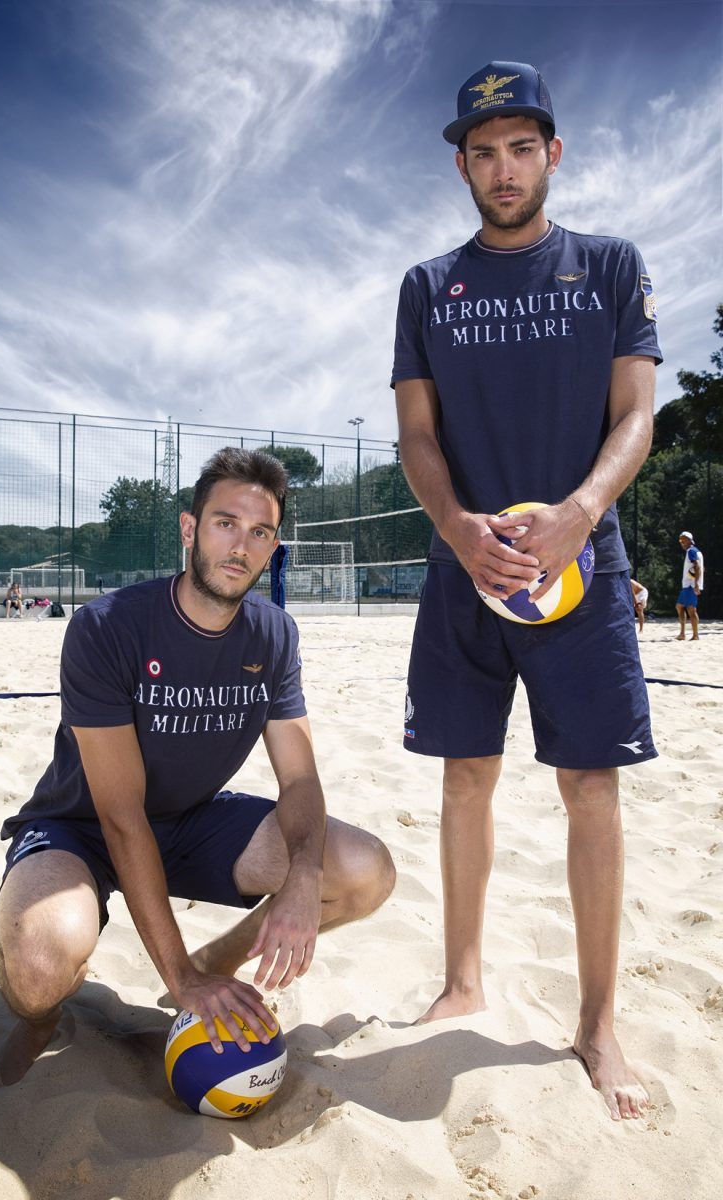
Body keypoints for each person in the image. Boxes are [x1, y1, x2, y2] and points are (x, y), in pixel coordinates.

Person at [391, 60, 661, 1121]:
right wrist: (457, 530)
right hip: (466, 572)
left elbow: (634, 418)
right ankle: (462, 980)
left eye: (519, 147)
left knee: (589, 789)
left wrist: (576, 516)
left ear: (551, 152)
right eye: (480, 151)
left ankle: (597, 1021)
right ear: (459, 162)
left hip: (577, 570)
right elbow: (416, 434)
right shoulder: (426, 286)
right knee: (465, 777)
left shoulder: (605, 266)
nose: (500, 169)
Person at [0, 447, 395, 1085]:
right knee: (42, 964)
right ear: (190, 529)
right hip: (82, 825)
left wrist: (302, 877)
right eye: (225, 522)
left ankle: (221, 956)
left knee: (364, 873)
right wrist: (179, 980)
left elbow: (300, 779)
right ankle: (40, 1018)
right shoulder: (107, 627)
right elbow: (120, 814)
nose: (241, 544)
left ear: (272, 548)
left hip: (187, 822)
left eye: (259, 531)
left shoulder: (274, 635)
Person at [676, 531, 704, 640]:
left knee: (691, 610)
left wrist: (696, 584)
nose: (681, 542)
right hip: (689, 585)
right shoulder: (697, 551)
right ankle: (683, 634)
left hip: (690, 586)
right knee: (679, 606)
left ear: (689, 540)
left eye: (683, 540)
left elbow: (697, 566)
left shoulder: (691, 551)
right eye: (680, 540)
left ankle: (695, 635)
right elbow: (701, 568)